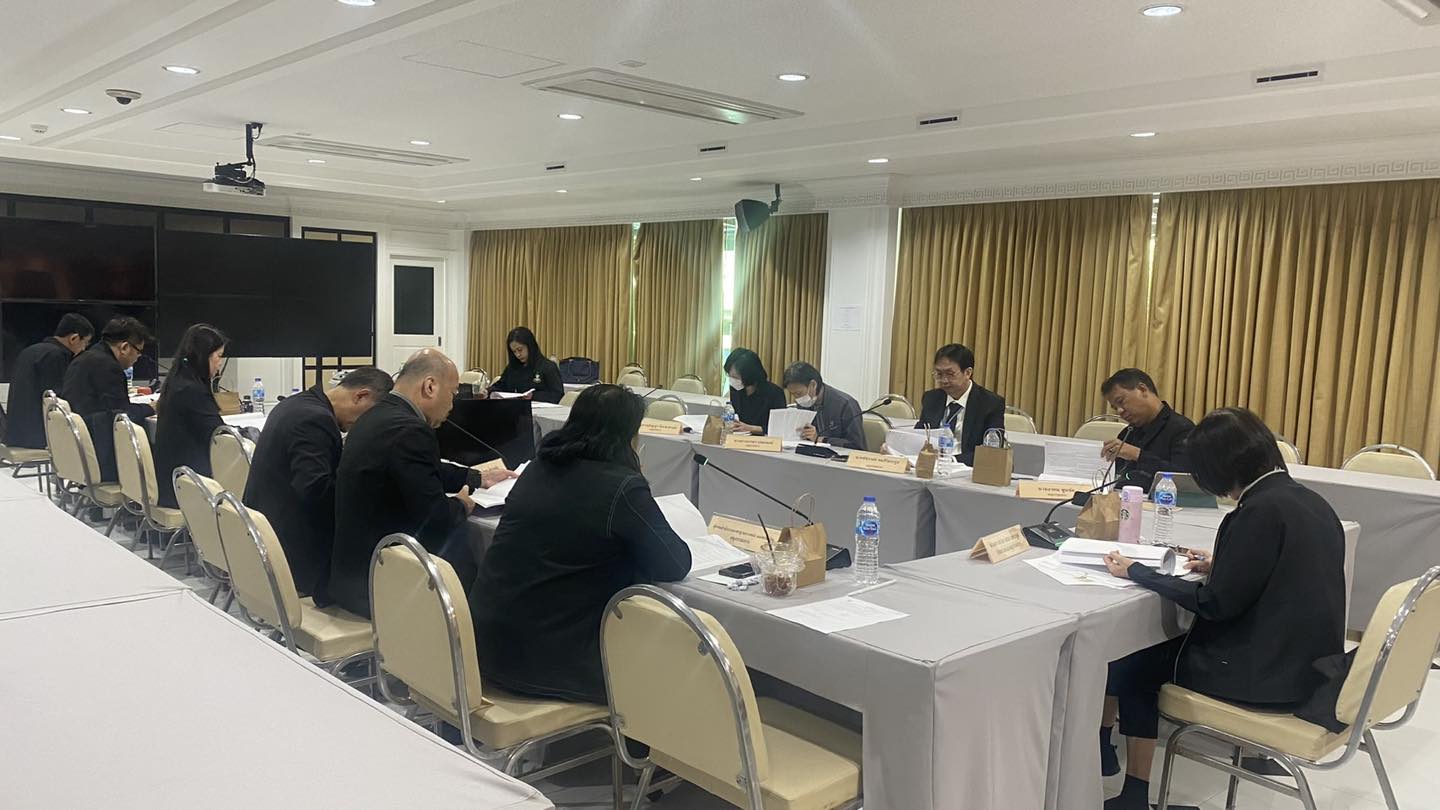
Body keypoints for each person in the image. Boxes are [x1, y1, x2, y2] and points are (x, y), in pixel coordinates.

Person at [1098, 407, 1345, 810]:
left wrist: (1139, 572)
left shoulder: (1257, 512)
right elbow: (1288, 568)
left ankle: (1133, 794)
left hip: (1264, 674)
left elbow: (1214, 604)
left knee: (1132, 665)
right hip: (1310, 667)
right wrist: (1223, 563)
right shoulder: (1308, 500)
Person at [469, 384, 692, 703]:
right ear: (628, 436)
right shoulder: (623, 486)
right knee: (673, 664)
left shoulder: (538, 468)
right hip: (550, 664)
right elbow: (674, 563)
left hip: (484, 647)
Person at [330, 348, 517, 618]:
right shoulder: (411, 430)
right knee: (476, 566)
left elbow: (421, 468)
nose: (452, 405)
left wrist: (476, 477)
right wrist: (462, 505)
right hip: (379, 586)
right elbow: (436, 518)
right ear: (430, 387)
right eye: (452, 394)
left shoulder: (375, 415)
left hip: (353, 573)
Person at [243, 367, 393, 603]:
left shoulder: (296, 403)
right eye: (369, 417)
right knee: (389, 567)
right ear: (361, 396)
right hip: (293, 557)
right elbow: (315, 490)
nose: (365, 426)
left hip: (265, 536)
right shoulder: (315, 419)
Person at [61, 316, 154, 481]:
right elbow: (122, 417)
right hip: (100, 456)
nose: (138, 357)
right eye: (138, 352)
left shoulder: (83, 358)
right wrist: (152, 407)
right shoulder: (108, 367)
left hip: (76, 452)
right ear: (125, 347)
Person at [153, 324, 228, 508]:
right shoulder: (192, 391)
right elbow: (219, 437)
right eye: (218, 356)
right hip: (186, 490)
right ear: (204, 356)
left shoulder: (176, 382)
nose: (220, 363)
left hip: (172, 482)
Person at [3, 313, 93, 449]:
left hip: (16, 433)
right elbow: (57, 400)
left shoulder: (30, 350)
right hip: (37, 437)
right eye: (85, 342)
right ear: (74, 338)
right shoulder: (56, 356)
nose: (84, 349)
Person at [1098, 368, 1194, 491]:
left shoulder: (1182, 429)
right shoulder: (1128, 433)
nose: (1120, 411)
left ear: (1142, 389)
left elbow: (1186, 480)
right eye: (1115, 408)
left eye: (1121, 402)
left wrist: (1138, 455)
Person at [914, 343, 1005, 465]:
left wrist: (951, 460)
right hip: (932, 467)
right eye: (939, 374)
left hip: (968, 469)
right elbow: (919, 436)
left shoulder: (990, 403)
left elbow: (991, 451)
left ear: (968, 373)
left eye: (950, 374)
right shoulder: (931, 399)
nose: (944, 380)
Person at [781, 361, 867, 450]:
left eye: (799, 393)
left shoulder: (845, 404)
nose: (796, 399)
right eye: (792, 394)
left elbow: (857, 445)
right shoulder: (804, 403)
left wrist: (821, 439)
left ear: (813, 385)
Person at [489, 326, 563, 403]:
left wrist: (534, 396)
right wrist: (487, 391)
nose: (518, 355)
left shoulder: (548, 367)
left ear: (530, 346)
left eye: (520, 350)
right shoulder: (513, 367)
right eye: (514, 351)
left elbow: (557, 395)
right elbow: (501, 386)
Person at [724, 348, 787, 435]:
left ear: (749, 375)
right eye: (729, 376)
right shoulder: (735, 389)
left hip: (764, 440)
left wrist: (751, 428)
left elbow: (780, 427)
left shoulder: (775, 393)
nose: (732, 381)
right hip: (738, 438)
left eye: (735, 377)